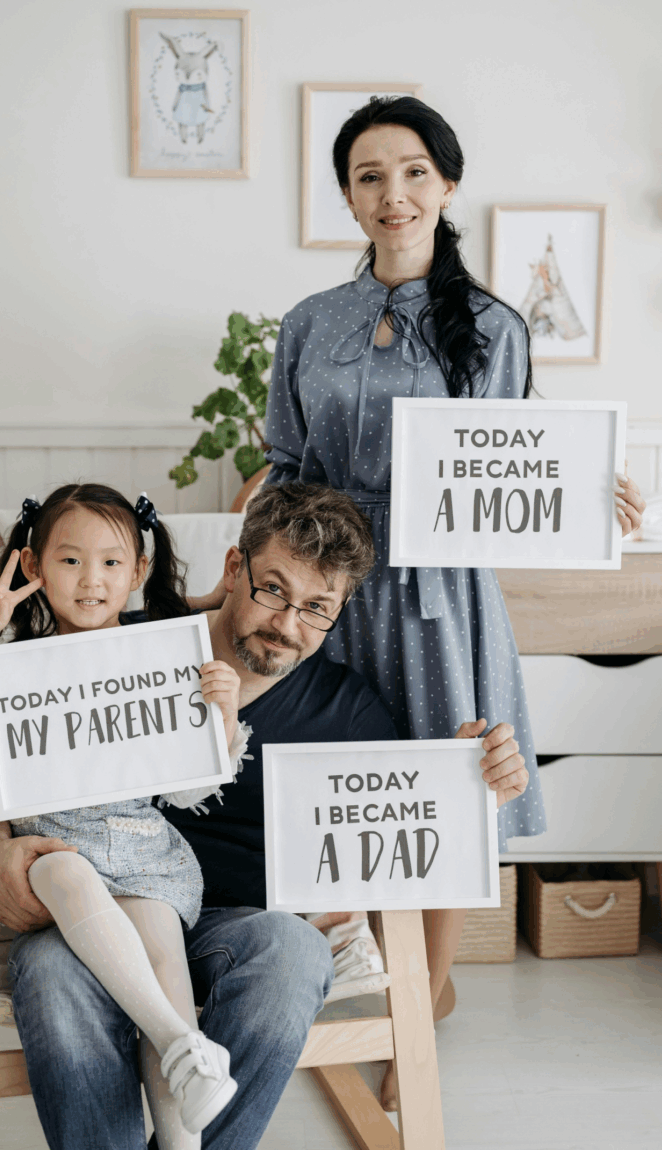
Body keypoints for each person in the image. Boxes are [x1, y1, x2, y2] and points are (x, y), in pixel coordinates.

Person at [0, 482, 528, 1150]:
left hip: (239, 927)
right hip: (94, 916)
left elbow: (408, 825)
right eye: (273, 590)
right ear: (234, 569)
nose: (287, 624)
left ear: (339, 611)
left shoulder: (347, 711)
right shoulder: (127, 643)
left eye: (317, 608)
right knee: (53, 975)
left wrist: (472, 789)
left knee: (295, 952)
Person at [262, 95, 646, 1108]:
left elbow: (512, 459)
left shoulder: (495, 326)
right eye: (370, 176)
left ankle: (422, 998)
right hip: (332, 587)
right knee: (349, 793)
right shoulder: (308, 324)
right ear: (349, 196)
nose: (393, 194)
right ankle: (351, 976)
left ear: (447, 184)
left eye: (414, 172)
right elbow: (287, 464)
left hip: (443, 596)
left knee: (448, 790)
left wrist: (591, 491)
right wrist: (253, 573)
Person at [0, 482, 250, 1146]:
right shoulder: (9, 664)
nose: (92, 580)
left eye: (112, 562)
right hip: (52, 851)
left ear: (138, 571)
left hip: (142, 851)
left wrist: (223, 717)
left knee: (164, 961)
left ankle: (183, 1093)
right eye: (70, 560)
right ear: (34, 565)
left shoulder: (161, 657)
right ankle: (182, 1040)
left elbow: (188, 789)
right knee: (63, 870)